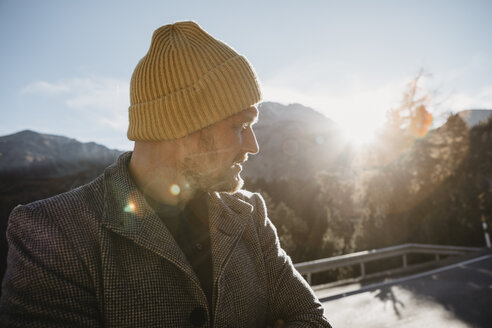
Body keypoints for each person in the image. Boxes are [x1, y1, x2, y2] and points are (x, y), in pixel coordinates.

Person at [0, 21, 331, 327]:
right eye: (239, 126)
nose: (254, 146)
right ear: (181, 125)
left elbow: (312, 319)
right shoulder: (51, 234)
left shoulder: (250, 217)